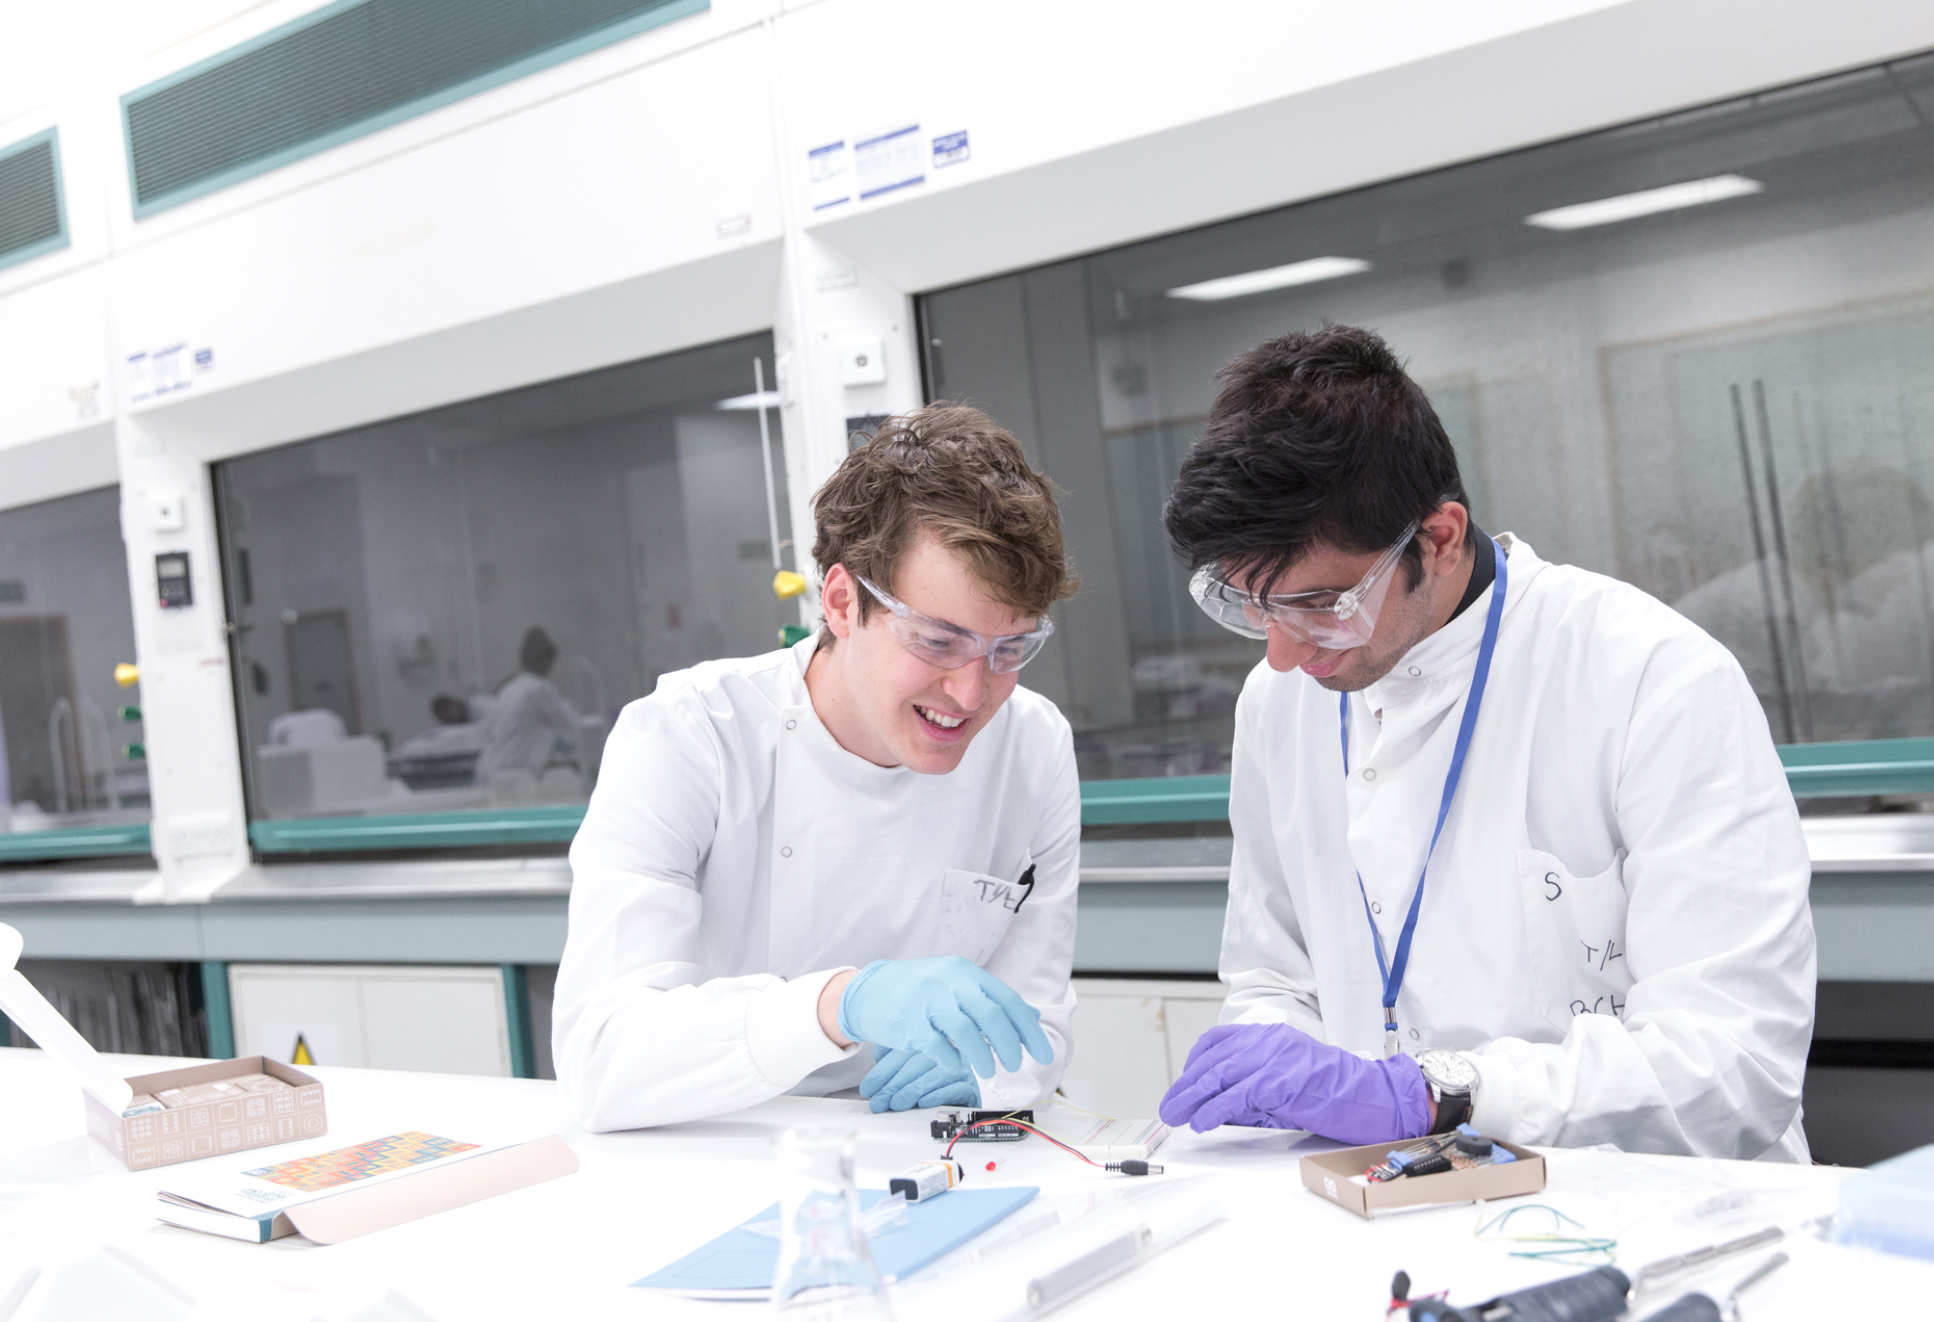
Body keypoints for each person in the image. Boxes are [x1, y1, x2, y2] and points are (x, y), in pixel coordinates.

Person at [1155, 326, 1815, 1160]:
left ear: (1438, 537)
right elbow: (1274, 976)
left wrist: (1441, 1093)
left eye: (1319, 604)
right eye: (1252, 605)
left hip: (1659, 1215)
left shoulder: (1652, 677)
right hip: (1383, 1202)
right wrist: (1273, 1065)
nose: (1282, 652)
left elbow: (1733, 1066)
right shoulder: (1279, 701)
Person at [554, 404, 1081, 1130]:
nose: (970, 693)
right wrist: (839, 1004)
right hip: (719, 1149)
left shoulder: (1033, 746)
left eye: (1009, 650)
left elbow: (1041, 1022)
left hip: (924, 1150)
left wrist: (994, 1066)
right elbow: (600, 1058)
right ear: (841, 601)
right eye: (937, 642)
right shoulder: (692, 735)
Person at [474, 627, 580, 784]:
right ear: (545, 660)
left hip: (491, 770)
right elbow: (571, 724)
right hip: (513, 774)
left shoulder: (510, 688)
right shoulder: (539, 689)